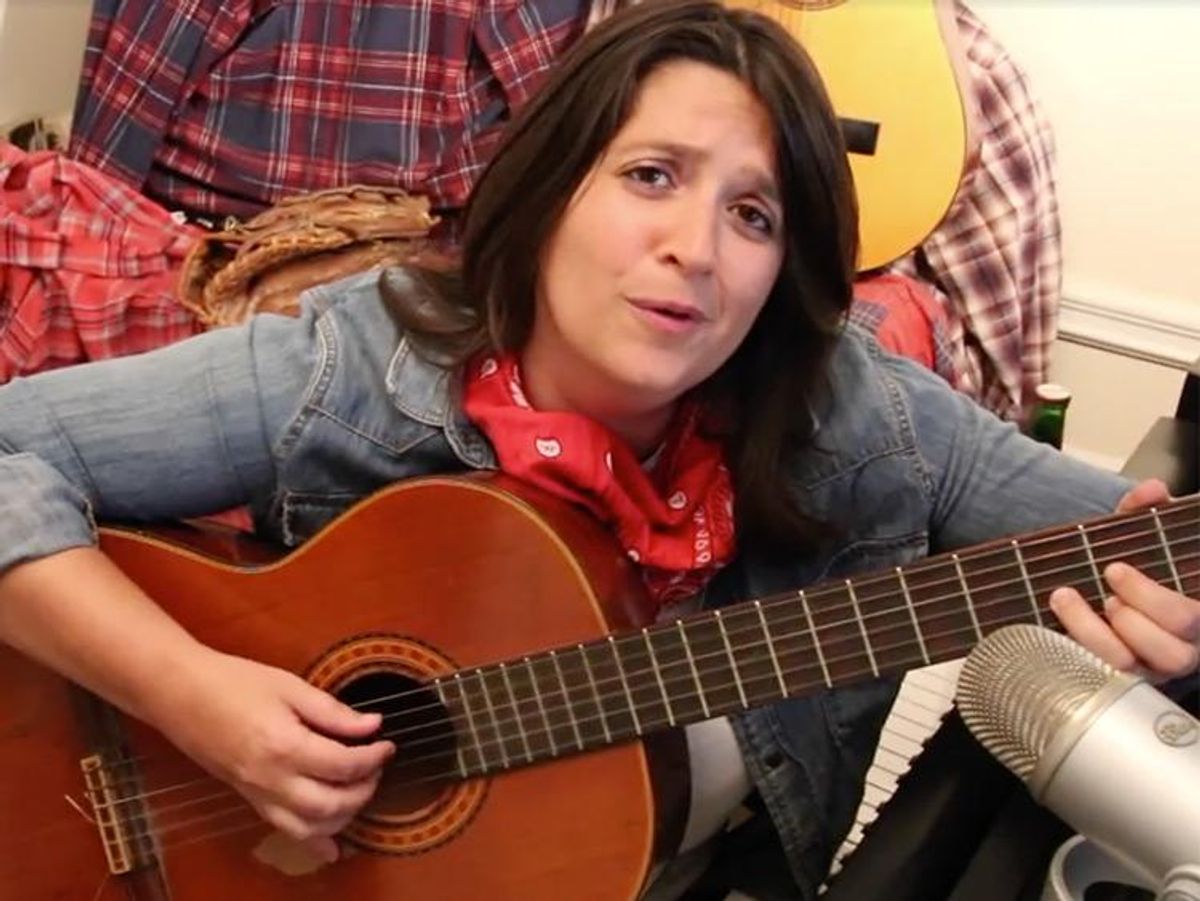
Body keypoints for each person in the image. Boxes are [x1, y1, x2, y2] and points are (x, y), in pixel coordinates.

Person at [0, 2, 1195, 898]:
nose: (695, 248)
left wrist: (1173, 628)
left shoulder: (862, 414)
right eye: (651, 176)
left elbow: (1139, 545)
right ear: (552, 189)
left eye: (753, 214)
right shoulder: (355, 368)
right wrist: (192, 696)